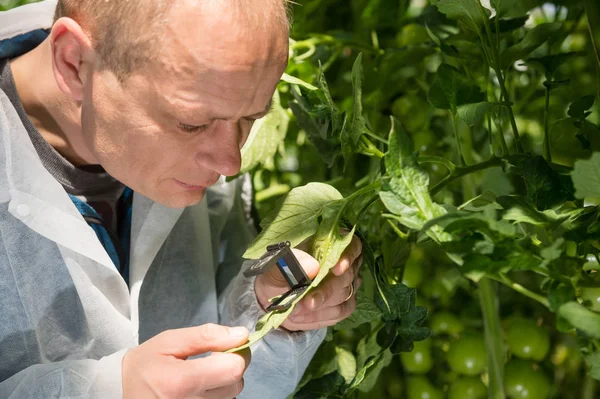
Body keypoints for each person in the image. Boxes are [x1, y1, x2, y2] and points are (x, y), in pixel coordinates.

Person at [0, 0, 363, 398]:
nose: (230, 161)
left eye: (251, 118)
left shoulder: (213, 92)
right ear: (74, 63)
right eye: (192, 124)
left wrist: (269, 309)